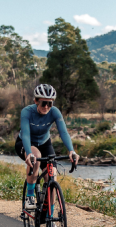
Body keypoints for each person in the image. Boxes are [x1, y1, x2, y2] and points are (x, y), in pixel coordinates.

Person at [16, 84, 78, 216]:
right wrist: (28, 152)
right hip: (25, 142)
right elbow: (26, 134)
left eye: (49, 104)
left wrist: (71, 151)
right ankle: (30, 196)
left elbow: (63, 132)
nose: (46, 107)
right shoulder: (27, 112)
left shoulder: (54, 111)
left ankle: (49, 216)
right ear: (36, 101)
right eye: (43, 103)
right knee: (35, 156)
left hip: (45, 143)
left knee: (52, 176)